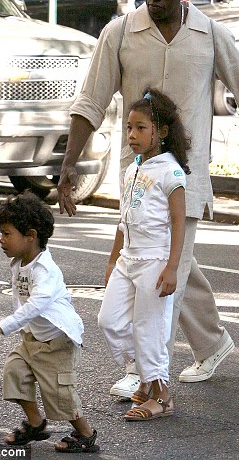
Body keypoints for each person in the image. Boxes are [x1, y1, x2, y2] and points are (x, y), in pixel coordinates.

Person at [58, 0, 239, 396]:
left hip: (184, 177)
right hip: (136, 177)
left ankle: (147, 373)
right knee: (166, 261)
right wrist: (67, 165)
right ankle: (212, 343)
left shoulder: (210, 34)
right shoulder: (119, 33)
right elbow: (90, 102)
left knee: (160, 275)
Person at [0, 191, 99, 453]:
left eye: (7, 234)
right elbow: (21, 300)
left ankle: (85, 433)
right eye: (1, 233)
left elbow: (35, 305)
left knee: (59, 394)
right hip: (31, 339)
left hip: (57, 342)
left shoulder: (46, 270)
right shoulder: (20, 262)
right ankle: (36, 423)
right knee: (14, 374)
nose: (1, 240)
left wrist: (1, 327)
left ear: (30, 235)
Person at [98, 88, 189, 420]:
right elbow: (123, 218)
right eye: (129, 128)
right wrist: (113, 258)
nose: (132, 135)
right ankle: (145, 375)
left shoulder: (170, 172)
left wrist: (172, 267)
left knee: (149, 328)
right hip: (128, 258)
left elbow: (179, 222)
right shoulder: (130, 169)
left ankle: (161, 395)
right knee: (109, 321)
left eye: (140, 128)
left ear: (161, 133)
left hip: (155, 261)